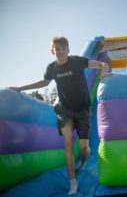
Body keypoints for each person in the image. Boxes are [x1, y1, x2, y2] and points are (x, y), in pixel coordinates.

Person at [8, 36, 111, 195]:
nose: (61, 52)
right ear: (53, 51)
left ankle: (82, 161)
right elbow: (43, 83)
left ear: (68, 50)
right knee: (68, 144)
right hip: (64, 110)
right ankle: (72, 182)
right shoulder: (52, 68)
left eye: (63, 49)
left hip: (83, 110)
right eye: (57, 49)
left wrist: (104, 72)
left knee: (84, 147)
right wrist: (20, 88)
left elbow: (101, 64)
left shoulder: (77, 61)